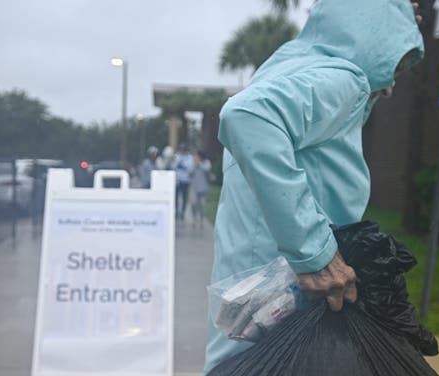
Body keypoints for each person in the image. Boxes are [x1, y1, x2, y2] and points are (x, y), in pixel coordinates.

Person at [204, 0, 425, 374]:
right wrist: (316, 255)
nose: (389, 88)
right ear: (369, 43)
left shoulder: (288, 70)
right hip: (286, 334)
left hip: (250, 329)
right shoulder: (345, 78)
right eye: (394, 66)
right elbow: (246, 117)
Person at [190, 151, 212, 227]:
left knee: (202, 205)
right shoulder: (193, 163)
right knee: (193, 204)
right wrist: (194, 164)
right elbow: (189, 172)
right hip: (194, 188)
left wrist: (199, 163)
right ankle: (194, 219)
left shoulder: (207, 163)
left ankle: (201, 219)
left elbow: (207, 170)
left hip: (203, 188)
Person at [174, 143, 194, 221]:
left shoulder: (190, 158)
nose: (182, 151)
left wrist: (183, 164)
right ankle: (176, 211)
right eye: (181, 149)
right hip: (177, 180)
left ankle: (182, 212)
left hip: (186, 180)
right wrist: (179, 162)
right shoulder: (176, 156)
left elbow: (190, 168)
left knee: (184, 198)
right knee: (176, 197)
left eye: (184, 149)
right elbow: (174, 166)